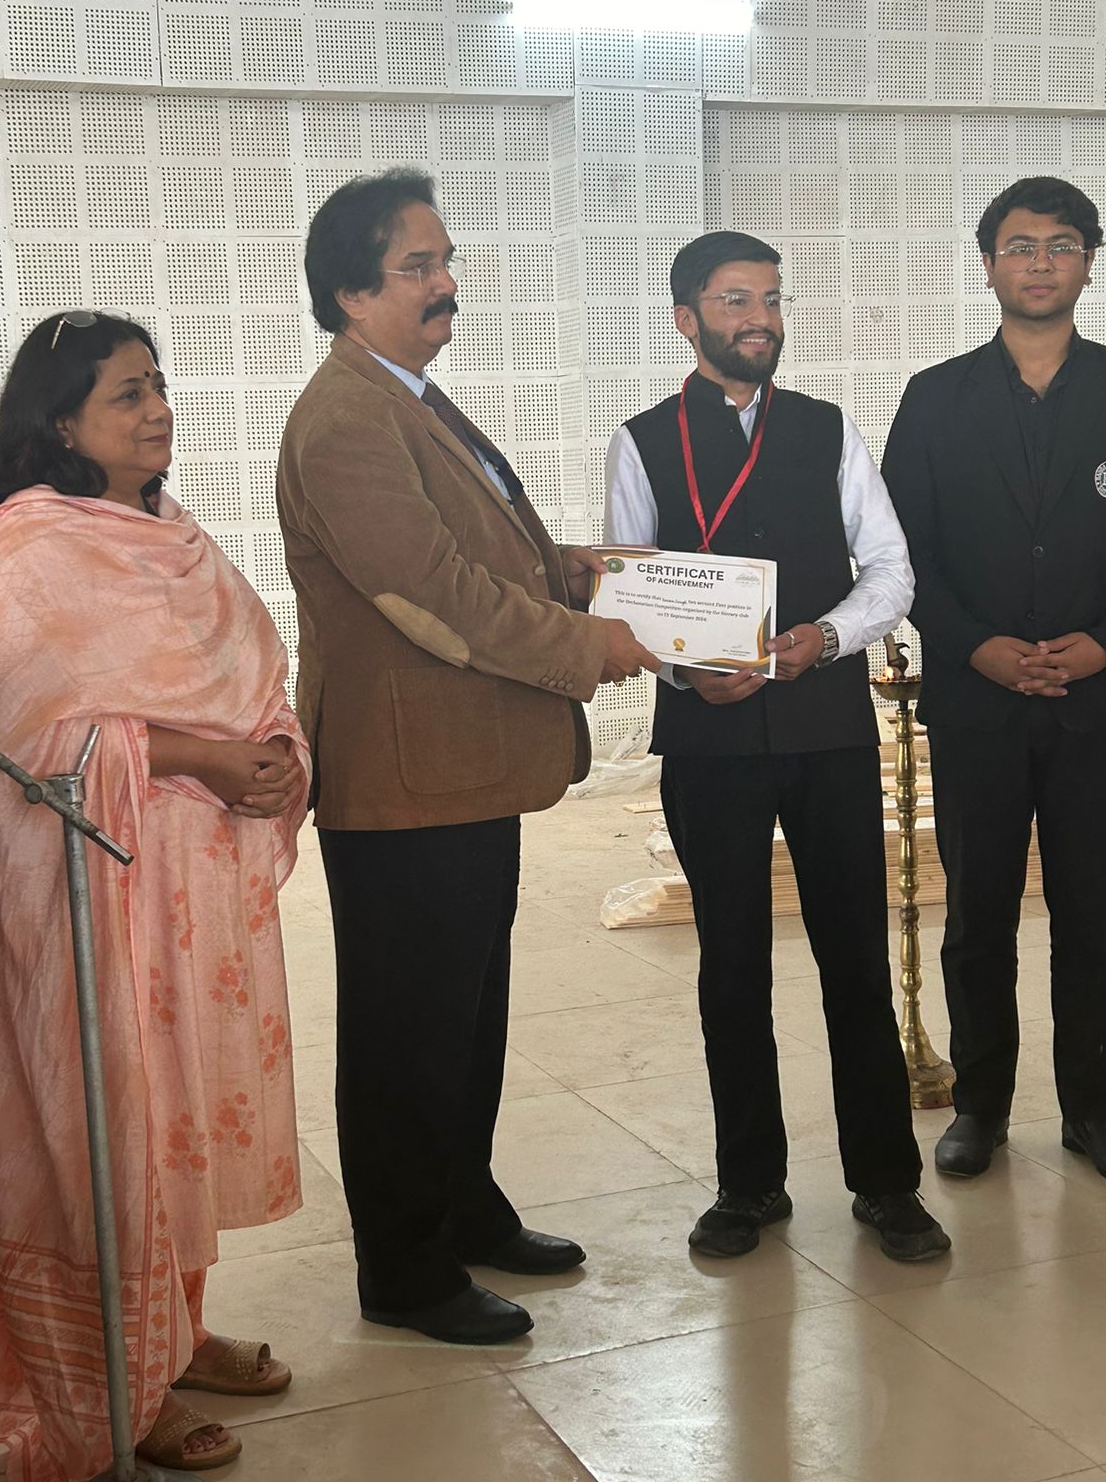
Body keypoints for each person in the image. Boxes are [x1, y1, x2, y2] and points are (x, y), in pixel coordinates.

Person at [276, 170, 658, 1346]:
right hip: (406, 782)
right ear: (351, 292)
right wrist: (588, 644)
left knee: (465, 1013)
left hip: (461, 771)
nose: (447, 283)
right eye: (418, 267)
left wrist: (572, 571)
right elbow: (431, 595)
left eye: (446, 261)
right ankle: (404, 1267)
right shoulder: (346, 417)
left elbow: (475, 557)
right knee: (407, 1031)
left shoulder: (410, 396)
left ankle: (464, 1207)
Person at [0, 312, 310, 1481]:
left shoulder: (171, 531)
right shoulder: (33, 543)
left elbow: (252, 668)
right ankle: (117, 1378)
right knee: (115, 1118)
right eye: (126, 393)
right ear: (61, 423)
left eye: (158, 384)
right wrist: (204, 757)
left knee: (179, 1113)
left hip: (194, 886)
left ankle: (176, 1332)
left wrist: (276, 750)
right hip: (92, 890)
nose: (158, 409)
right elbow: (28, 742)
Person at [604, 231, 949, 1262]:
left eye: (771, 298)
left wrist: (825, 639)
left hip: (824, 726)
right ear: (687, 319)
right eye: (734, 300)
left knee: (853, 958)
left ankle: (887, 1182)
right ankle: (748, 1184)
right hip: (706, 738)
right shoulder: (641, 441)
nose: (759, 318)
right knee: (732, 965)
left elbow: (891, 570)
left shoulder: (827, 429)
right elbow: (629, 593)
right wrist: (683, 671)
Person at [882, 177, 1106, 1186]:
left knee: (1094, 918)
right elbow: (904, 551)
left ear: (1090, 261)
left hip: (1096, 701)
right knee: (979, 915)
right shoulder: (935, 397)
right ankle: (981, 1107)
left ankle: (1093, 1108)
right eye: (1021, 245)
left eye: (1061, 245)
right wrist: (974, 645)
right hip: (977, 702)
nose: (1041, 263)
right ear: (988, 263)